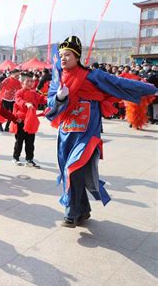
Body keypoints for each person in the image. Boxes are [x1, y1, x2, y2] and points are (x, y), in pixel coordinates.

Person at [46, 36, 156, 228]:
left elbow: (120, 83)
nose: (63, 58)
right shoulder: (58, 78)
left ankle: (71, 213)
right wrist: (59, 97)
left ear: (77, 56)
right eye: (61, 55)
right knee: (70, 170)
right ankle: (83, 210)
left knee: (74, 169)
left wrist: (150, 88)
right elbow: (50, 105)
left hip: (87, 133)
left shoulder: (93, 75)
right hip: (66, 133)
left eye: (68, 54)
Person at [12, 72, 46, 168]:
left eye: (31, 81)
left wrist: (52, 98)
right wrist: (26, 103)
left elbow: (42, 99)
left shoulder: (34, 93)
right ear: (22, 82)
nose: (30, 83)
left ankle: (29, 159)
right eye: (27, 81)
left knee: (30, 141)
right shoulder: (19, 92)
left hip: (31, 120)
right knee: (19, 140)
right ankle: (16, 157)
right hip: (21, 120)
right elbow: (18, 100)